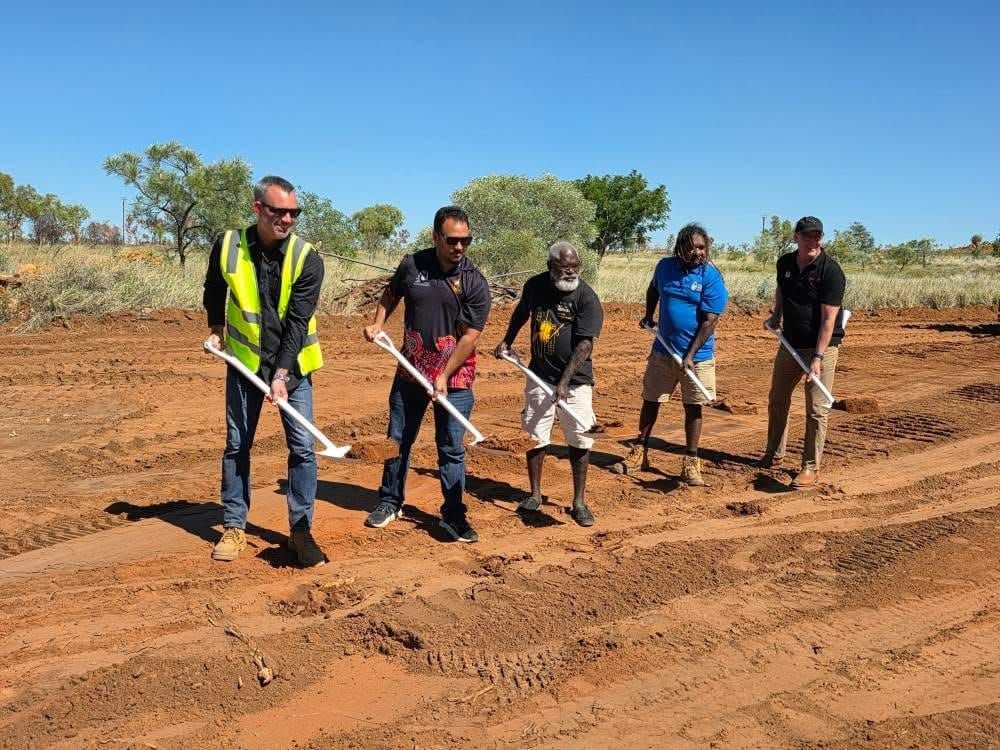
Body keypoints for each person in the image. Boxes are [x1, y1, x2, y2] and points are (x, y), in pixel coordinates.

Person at [203, 175, 326, 566]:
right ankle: (235, 526)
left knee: (303, 448)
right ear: (258, 208)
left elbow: (297, 322)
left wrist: (281, 376)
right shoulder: (228, 245)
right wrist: (217, 330)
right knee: (238, 444)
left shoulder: (307, 258)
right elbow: (213, 288)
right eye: (279, 211)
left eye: (294, 212)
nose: (287, 219)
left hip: (294, 366)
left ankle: (301, 531)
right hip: (244, 363)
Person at [363, 206, 491, 542]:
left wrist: (443, 376)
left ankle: (453, 515)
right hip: (410, 371)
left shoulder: (474, 282)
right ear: (436, 236)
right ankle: (390, 501)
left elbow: (470, 337)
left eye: (466, 240)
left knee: (451, 448)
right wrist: (378, 323)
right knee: (398, 440)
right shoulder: (412, 265)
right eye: (452, 240)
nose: (460, 247)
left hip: (456, 379)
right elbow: (391, 293)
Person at [494, 241, 604, 527]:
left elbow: (584, 345)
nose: (570, 272)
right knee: (535, 436)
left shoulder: (586, 297)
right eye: (563, 268)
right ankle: (534, 494)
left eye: (574, 267)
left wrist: (565, 382)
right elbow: (521, 313)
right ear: (550, 267)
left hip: (575, 382)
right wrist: (507, 340)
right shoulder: (535, 286)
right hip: (538, 375)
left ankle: (578, 502)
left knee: (579, 440)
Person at [621, 223, 728, 486]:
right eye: (692, 247)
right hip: (663, 350)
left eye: (702, 247)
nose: (697, 252)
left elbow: (710, 321)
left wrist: (690, 355)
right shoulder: (665, 267)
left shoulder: (711, 277)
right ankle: (640, 452)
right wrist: (649, 315)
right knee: (651, 400)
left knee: (693, 407)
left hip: (698, 356)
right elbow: (653, 289)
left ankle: (691, 461)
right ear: (680, 247)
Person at [760, 216, 846, 488]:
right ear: (796, 237)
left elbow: (828, 320)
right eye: (808, 235)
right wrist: (777, 316)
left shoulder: (830, 271)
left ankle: (810, 466)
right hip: (790, 343)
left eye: (818, 236)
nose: (813, 240)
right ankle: (774, 453)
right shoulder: (785, 263)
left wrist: (818, 359)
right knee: (777, 398)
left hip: (822, 347)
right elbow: (782, 290)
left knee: (816, 408)